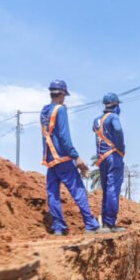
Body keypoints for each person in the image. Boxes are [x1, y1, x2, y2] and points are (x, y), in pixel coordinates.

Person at [40, 79, 108, 236]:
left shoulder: (43, 112)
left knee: (53, 193)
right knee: (78, 189)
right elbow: (64, 137)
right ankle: (90, 224)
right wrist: (76, 157)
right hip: (63, 158)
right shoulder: (60, 110)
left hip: (50, 159)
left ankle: (58, 227)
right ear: (62, 94)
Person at [93, 92, 127, 232]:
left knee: (107, 189)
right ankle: (110, 223)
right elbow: (118, 129)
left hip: (102, 158)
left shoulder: (97, 120)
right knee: (113, 188)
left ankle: (106, 222)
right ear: (116, 105)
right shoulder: (114, 117)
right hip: (113, 156)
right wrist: (120, 146)